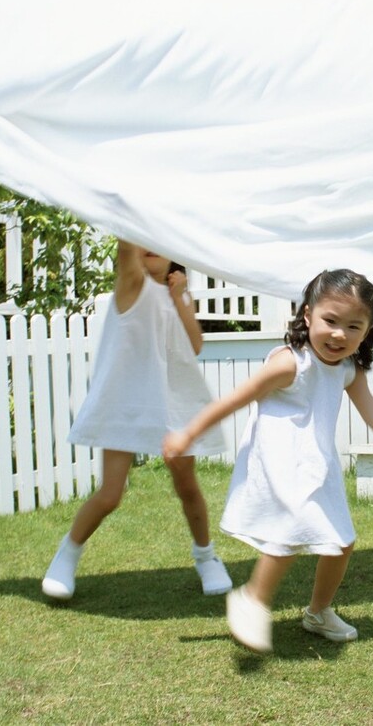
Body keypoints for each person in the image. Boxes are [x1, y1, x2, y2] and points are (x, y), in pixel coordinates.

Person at [163, 268, 373, 653]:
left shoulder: (347, 370)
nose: (339, 334)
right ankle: (253, 598)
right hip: (279, 461)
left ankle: (318, 612)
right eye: (330, 321)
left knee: (341, 543)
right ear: (307, 315)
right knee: (290, 529)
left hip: (316, 464)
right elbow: (234, 400)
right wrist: (187, 434)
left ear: (368, 331)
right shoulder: (290, 363)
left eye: (354, 326)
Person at [41, 242, 232, 601]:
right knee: (111, 494)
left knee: (187, 485)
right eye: (145, 237)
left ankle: (206, 556)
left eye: (159, 239)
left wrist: (181, 297)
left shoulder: (180, 293)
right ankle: (66, 554)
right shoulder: (131, 284)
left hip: (174, 404)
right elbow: (128, 245)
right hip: (127, 403)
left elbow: (194, 345)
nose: (150, 246)